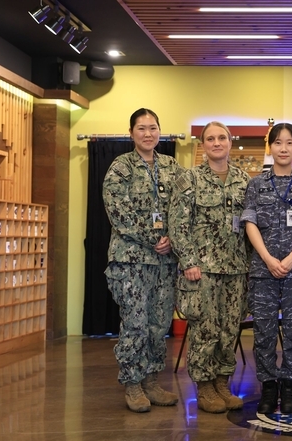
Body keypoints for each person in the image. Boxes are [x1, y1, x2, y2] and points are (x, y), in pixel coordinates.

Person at [103, 108, 184, 413]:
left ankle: (151, 381)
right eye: (141, 128)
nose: (148, 134)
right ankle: (133, 384)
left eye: (153, 128)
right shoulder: (120, 167)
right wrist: (155, 239)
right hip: (130, 261)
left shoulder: (172, 167)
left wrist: (173, 238)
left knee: (158, 324)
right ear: (131, 133)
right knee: (135, 324)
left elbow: (183, 208)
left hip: (165, 263)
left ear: (160, 132)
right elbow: (118, 213)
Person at [169, 121, 250, 414]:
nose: (217, 143)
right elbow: (178, 223)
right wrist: (189, 261)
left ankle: (221, 383)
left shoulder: (244, 180)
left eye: (222, 138)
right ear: (203, 144)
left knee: (230, 329)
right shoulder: (189, 179)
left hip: (237, 268)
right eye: (211, 138)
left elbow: (251, 227)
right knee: (205, 329)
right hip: (202, 270)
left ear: (230, 142)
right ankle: (204, 387)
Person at [242, 123, 292, 415]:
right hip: (263, 271)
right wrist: (269, 259)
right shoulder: (256, 184)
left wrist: (291, 258)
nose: (283, 148)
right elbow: (250, 223)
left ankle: (289, 385)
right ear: (269, 147)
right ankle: (268, 385)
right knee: (264, 331)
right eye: (278, 143)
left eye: (289, 143)